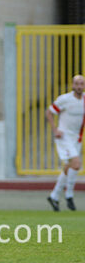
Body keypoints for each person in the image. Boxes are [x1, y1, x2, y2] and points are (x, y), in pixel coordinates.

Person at [46, 75, 85, 211]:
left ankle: (54, 196)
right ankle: (69, 194)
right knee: (76, 163)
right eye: (77, 84)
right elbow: (49, 112)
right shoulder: (65, 99)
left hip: (77, 138)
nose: (79, 86)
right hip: (64, 136)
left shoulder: (84, 100)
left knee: (69, 166)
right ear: (73, 85)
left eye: (81, 84)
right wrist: (55, 129)